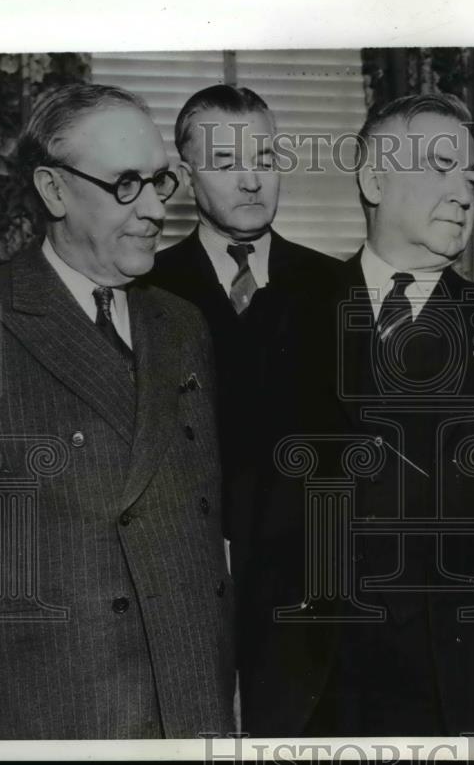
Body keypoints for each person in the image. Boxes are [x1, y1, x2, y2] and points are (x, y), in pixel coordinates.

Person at [0, 83, 235, 739]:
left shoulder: (183, 325)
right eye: (127, 183)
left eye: (161, 182)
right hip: (55, 714)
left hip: (190, 708)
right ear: (53, 191)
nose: (155, 209)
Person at [239, 93, 474, 736]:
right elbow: (245, 505)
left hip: (456, 684)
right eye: (440, 167)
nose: (465, 193)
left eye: (472, 177)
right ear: (373, 179)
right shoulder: (282, 316)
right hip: (317, 678)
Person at [144, 85, 338, 583]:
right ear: (187, 179)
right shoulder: (144, 289)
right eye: (227, 163)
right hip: (185, 570)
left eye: (265, 159)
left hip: (313, 577)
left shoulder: (337, 286)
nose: (252, 181)